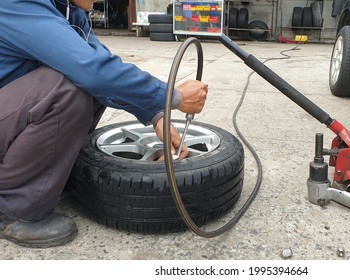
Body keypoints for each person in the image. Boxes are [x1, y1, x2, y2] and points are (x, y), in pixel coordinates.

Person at [0, 0, 208, 248]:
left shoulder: (70, 13)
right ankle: (13, 210)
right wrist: (173, 97)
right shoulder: (15, 4)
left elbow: (104, 67)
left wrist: (156, 114)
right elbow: (93, 70)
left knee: (92, 88)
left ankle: (46, 177)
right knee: (65, 90)